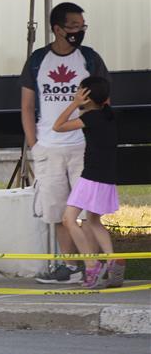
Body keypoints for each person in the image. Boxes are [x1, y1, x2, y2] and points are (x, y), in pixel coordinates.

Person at [19, 2, 111, 284]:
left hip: (84, 148)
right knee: (59, 213)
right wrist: (34, 144)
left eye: (82, 26)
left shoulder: (89, 58)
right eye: (73, 27)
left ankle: (95, 268)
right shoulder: (37, 60)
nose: (79, 31)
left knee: (89, 214)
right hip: (48, 148)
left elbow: (105, 101)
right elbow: (26, 106)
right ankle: (71, 268)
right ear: (57, 29)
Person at [52, 77, 124, 289]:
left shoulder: (91, 117)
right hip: (107, 178)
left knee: (68, 220)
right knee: (93, 221)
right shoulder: (108, 115)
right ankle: (111, 261)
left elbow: (58, 126)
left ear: (87, 97)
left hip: (91, 177)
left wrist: (74, 104)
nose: (76, 93)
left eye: (79, 91)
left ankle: (92, 266)